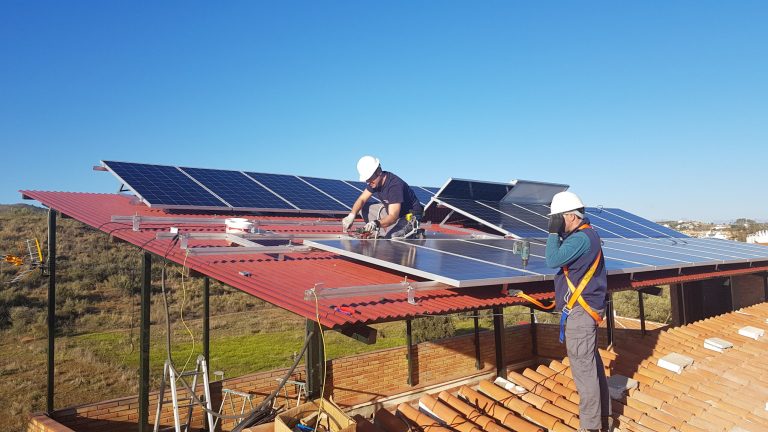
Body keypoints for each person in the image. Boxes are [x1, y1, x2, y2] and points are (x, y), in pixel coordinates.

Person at [545, 191, 611, 432]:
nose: (555, 223)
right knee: (591, 367)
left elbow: (552, 259)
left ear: (570, 217)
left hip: (581, 316)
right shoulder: (587, 236)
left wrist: (553, 233)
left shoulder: (581, 239)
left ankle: (591, 427)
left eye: (557, 218)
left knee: (584, 373)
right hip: (585, 312)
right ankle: (603, 420)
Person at [341, 155, 423, 238]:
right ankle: (377, 233)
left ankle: (414, 233)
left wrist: (375, 223)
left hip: (408, 216)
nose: (368, 182)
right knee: (362, 207)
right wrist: (351, 215)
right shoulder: (374, 182)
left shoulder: (394, 185)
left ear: (378, 172)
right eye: (367, 180)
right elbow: (362, 199)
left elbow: (393, 216)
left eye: (369, 178)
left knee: (392, 238)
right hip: (392, 212)